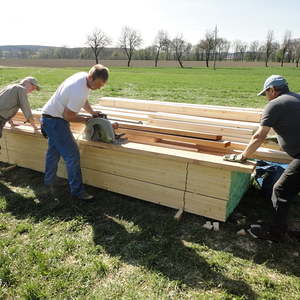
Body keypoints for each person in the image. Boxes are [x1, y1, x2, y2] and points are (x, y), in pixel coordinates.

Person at [225, 75, 300, 242]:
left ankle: (275, 233)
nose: (266, 97)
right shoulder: (296, 98)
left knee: (280, 189)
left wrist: (243, 156)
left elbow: (258, 136)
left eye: (266, 93)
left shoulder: (274, 105)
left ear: (272, 90)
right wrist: (275, 139)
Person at [41, 64, 109, 200]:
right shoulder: (79, 90)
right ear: (91, 77)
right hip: (56, 121)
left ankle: (49, 181)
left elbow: (83, 100)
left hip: (48, 117)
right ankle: (77, 191)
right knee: (72, 156)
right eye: (99, 84)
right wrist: (86, 120)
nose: (100, 87)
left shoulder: (82, 77)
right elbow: (68, 116)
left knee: (53, 152)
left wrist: (92, 112)